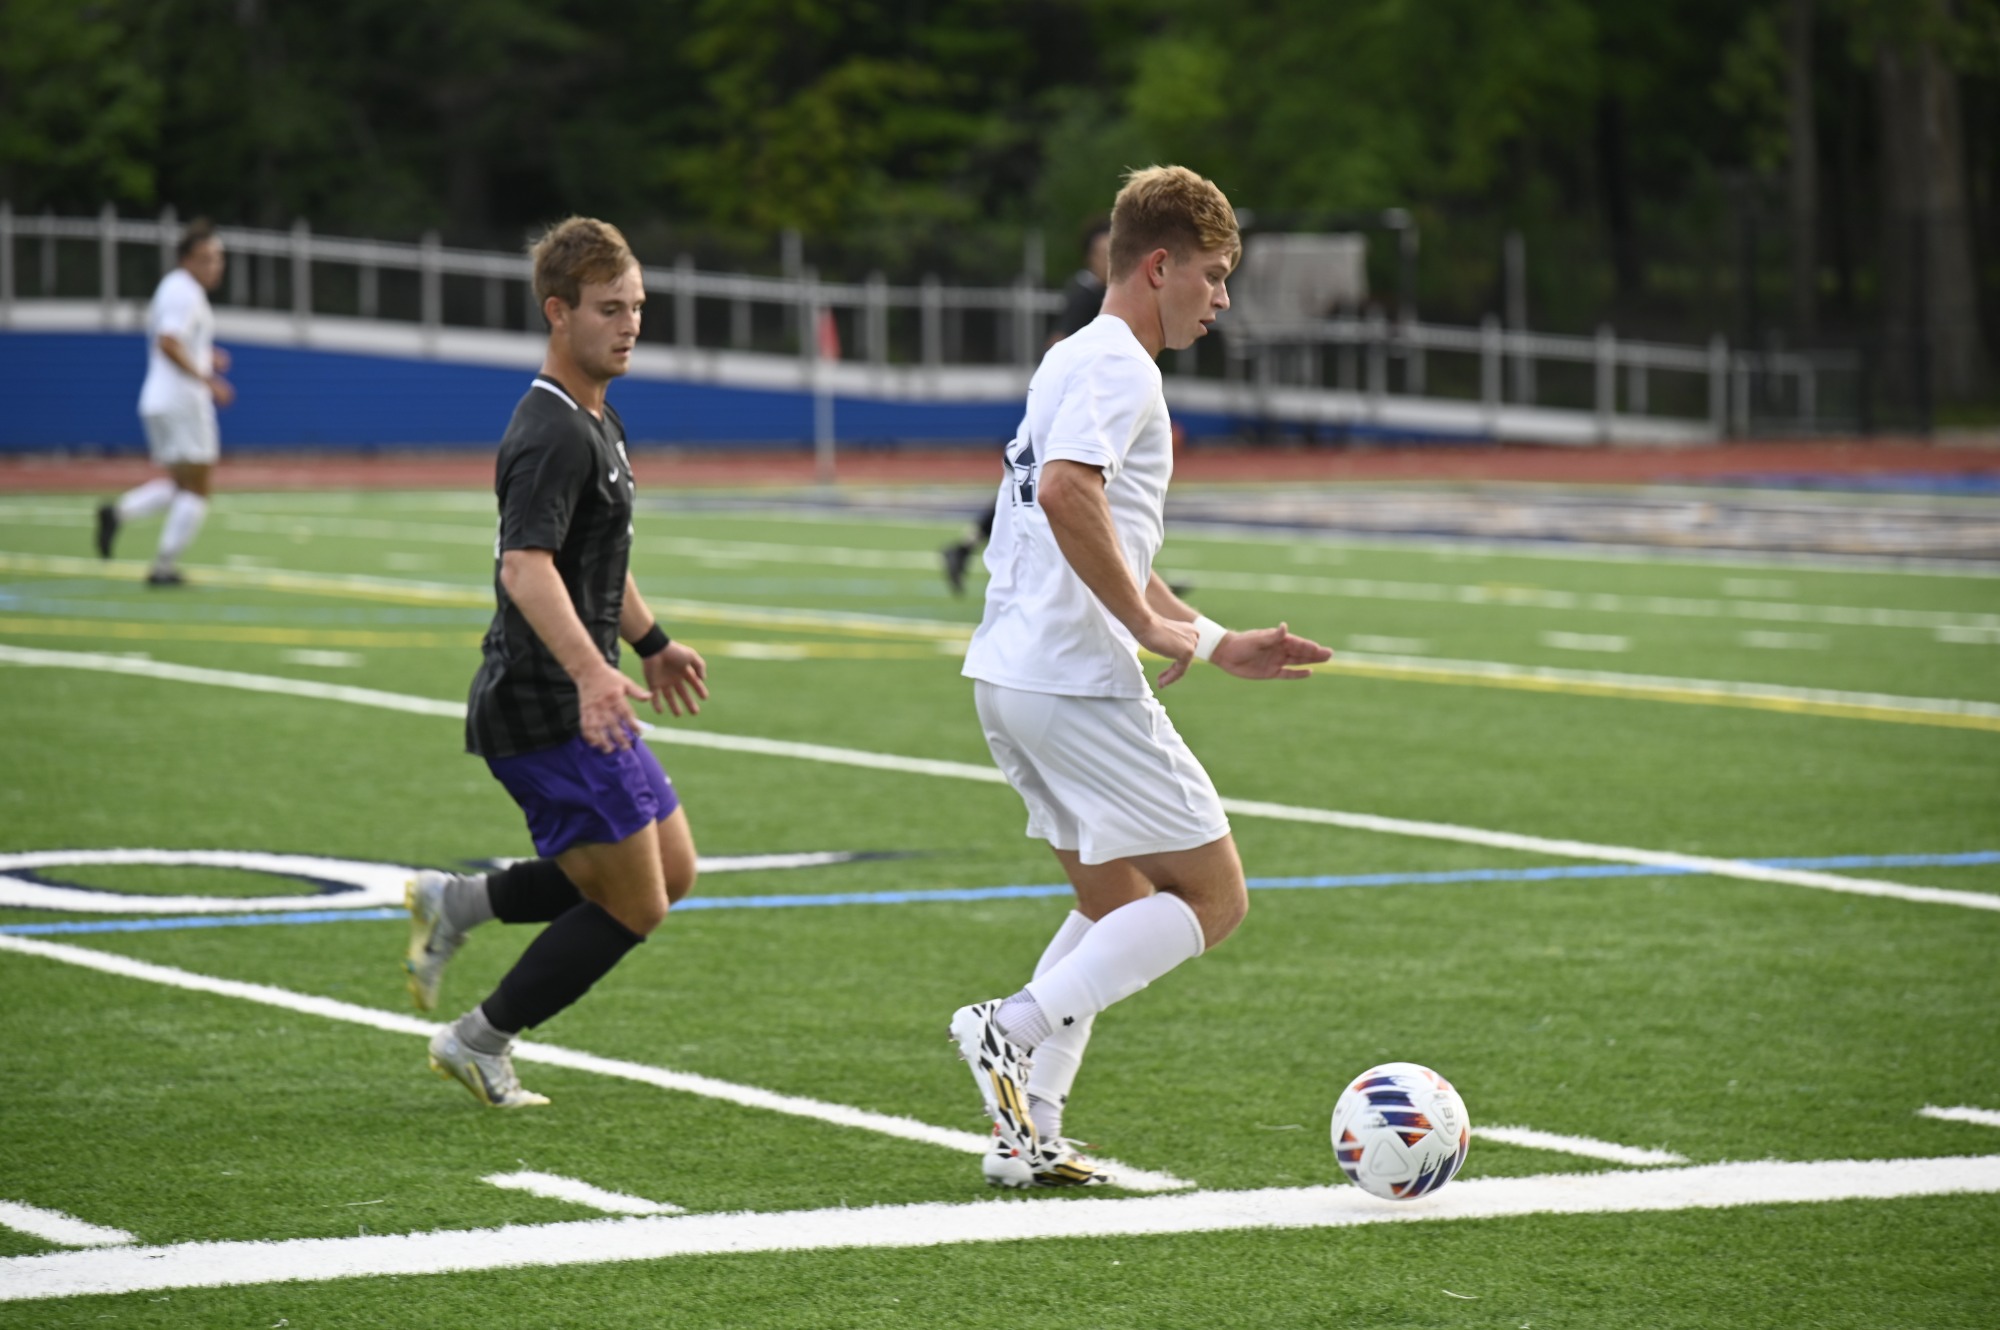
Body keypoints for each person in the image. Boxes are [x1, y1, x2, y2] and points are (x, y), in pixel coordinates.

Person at [949, 166, 1331, 1187]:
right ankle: (1007, 1027)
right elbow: (1068, 494)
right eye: (1213, 275)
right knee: (1213, 896)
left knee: (1115, 899)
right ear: (1159, 266)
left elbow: (1102, 527)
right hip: (1070, 677)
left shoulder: (1070, 356)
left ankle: (1025, 1131)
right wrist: (1141, 625)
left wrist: (1207, 637)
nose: (1221, 299)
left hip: (1012, 677)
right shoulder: (1121, 366)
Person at [406, 216, 711, 1108]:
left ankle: (460, 904)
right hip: (544, 705)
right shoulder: (551, 430)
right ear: (558, 312)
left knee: (672, 872)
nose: (630, 324)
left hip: (582, 694)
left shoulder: (599, 419)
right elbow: (526, 568)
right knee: (636, 903)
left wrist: (652, 644)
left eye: (637, 307)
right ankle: (477, 1040)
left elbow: (596, 563)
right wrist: (590, 671)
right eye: (609, 309)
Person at [940, 218, 1111, 597]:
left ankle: (966, 545)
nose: (1110, 259)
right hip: (1068, 404)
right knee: (1042, 484)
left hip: (1068, 402)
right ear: (1089, 256)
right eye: (1104, 252)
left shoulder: (1095, 292)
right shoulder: (1087, 293)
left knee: (1030, 481)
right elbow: (1059, 343)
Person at [97, 219, 234, 585]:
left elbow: (177, 341)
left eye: (218, 258)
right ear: (186, 259)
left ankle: (119, 513)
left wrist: (207, 355)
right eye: (206, 258)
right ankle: (163, 567)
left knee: (181, 485)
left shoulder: (175, 288)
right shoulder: (184, 292)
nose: (214, 265)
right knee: (198, 487)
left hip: (161, 399)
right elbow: (168, 343)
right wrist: (208, 379)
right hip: (182, 402)